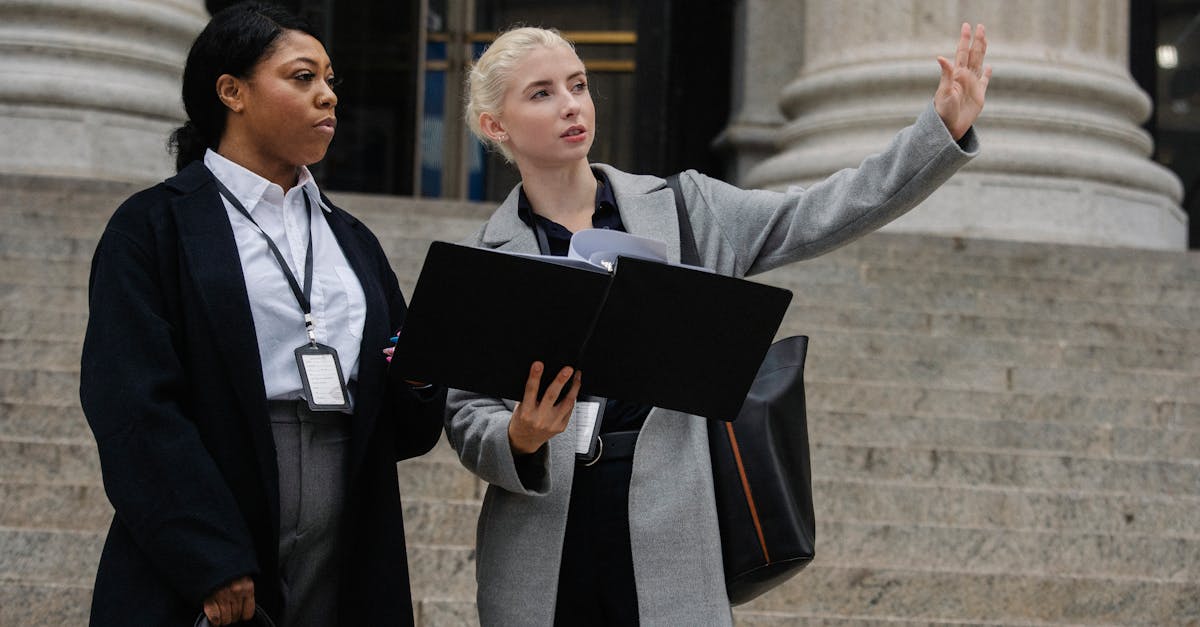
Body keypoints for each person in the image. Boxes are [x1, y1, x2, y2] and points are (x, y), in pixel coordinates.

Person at [445, 23, 991, 626]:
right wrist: (519, 437)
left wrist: (938, 131)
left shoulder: (685, 208)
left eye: (577, 85)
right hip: (541, 539)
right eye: (542, 93)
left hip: (669, 523)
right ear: (496, 125)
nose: (571, 104)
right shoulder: (485, 259)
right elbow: (466, 412)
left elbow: (817, 212)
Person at [78, 2, 446, 625]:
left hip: (349, 520)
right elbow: (133, 405)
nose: (328, 96)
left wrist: (421, 372)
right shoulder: (153, 225)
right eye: (304, 77)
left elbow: (407, 420)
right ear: (232, 91)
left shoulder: (352, 239)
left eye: (331, 80)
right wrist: (208, 554)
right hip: (219, 506)